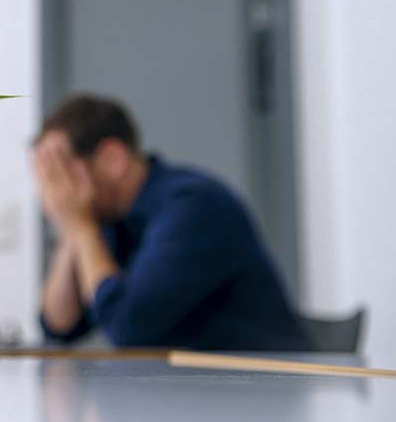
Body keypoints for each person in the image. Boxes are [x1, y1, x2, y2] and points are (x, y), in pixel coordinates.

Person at [34, 94, 308, 350]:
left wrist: (81, 226)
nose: (55, 192)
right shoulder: (109, 221)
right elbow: (60, 326)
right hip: (192, 390)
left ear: (112, 160)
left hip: (264, 388)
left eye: (60, 173)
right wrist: (71, 229)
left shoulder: (193, 205)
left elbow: (126, 325)